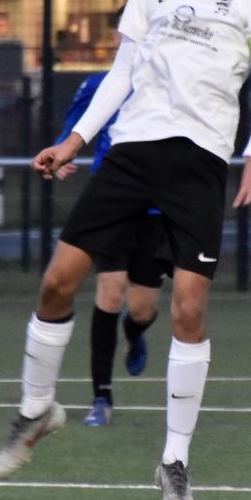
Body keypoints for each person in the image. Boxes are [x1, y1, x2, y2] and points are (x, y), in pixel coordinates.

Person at [0, 0, 251, 500]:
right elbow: (121, 73)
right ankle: (37, 410)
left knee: (188, 310)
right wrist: (74, 140)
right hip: (130, 155)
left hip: (198, 164)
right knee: (57, 283)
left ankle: (174, 460)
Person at [54, 70, 169, 427]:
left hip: (157, 208)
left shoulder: (171, 79)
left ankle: (134, 332)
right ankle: (101, 398)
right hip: (113, 200)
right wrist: (61, 151)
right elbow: (73, 125)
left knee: (142, 310)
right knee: (110, 289)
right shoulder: (98, 84)